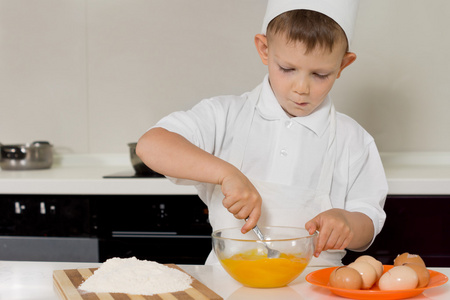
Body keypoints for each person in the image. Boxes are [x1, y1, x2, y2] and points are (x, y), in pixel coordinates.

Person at [136, 0, 387, 266]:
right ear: (264, 49)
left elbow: (368, 221)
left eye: (320, 74)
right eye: (288, 69)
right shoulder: (225, 115)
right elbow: (151, 145)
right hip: (229, 285)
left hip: (317, 287)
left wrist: (347, 223)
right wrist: (226, 174)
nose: (301, 87)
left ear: (343, 66)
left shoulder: (354, 139)